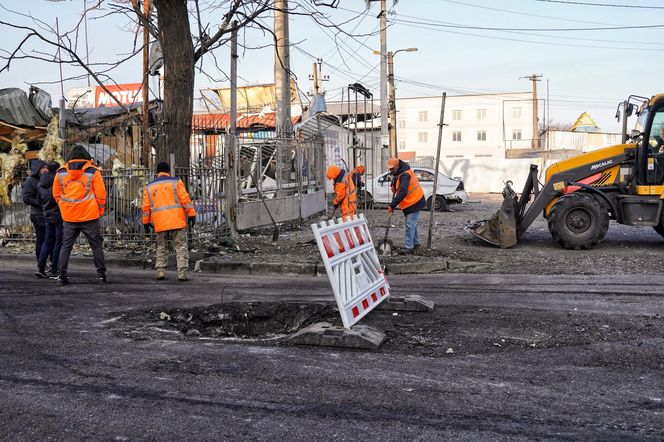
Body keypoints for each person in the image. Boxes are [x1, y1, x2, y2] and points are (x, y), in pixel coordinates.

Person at [53, 145, 108, 285]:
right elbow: (101, 195)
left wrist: (65, 207)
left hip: (69, 217)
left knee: (66, 246)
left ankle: (61, 276)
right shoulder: (93, 172)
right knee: (96, 245)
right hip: (89, 216)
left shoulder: (60, 172)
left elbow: (56, 194)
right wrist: (99, 211)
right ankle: (101, 276)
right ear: (86, 157)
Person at [142, 162, 197, 281]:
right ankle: (182, 273)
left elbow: (146, 208)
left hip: (160, 223)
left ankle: (160, 271)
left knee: (161, 247)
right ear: (168, 172)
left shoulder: (149, 187)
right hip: (176, 221)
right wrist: (191, 214)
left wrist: (146, 223)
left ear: (157, 172)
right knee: (180, 246)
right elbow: (185, 200)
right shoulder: (176, 182)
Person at [386, 157, 426, 254]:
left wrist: (392, 205)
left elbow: (403, 192)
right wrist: (394, 182)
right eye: (389, 169)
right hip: (412, 201)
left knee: (410, 225)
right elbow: (398, 187)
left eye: (392, 168)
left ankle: (409, 247)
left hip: (414, 201)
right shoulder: (399, 173)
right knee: (412, 225)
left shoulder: (405, 175)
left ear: (398, 166)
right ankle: (416, 244)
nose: (391, 170)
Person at [36, 161, 63, 278]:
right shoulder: (58, 182)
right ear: (57, 170)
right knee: (58, 243)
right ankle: (54, 269)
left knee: (46, 242)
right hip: (58, 216)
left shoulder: (40, 183)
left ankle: (41, 268)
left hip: (46, 215)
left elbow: (38, 201)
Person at [22, 159, 47, 274]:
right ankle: (41, 264)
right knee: (41, 240)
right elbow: (26, 198)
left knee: (48, 240)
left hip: (46, 213)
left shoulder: (45, 179)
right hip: (37, 214)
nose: (45, 169)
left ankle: (46, 263)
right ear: (38, 169)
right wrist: (40, 203)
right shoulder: (30, 181)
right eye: (43, 168)